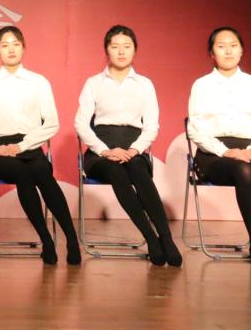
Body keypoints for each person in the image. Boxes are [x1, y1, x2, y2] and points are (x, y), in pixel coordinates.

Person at [0, 26, 81, 265]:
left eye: (16, 44)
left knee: (43, 174)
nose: (11, 50)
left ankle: (71, 239)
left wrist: (23, 145)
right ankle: (46, 240)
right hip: (0, 152)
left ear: (24, 47)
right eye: (5, 45)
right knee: (23, 175)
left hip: (30, 147)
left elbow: (51, 123)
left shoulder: (38, 82)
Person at [74, 25, 181, 266]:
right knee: (116, 171)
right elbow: (81, 123)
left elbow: (151, 126)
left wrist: (134, 150)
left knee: (138, 170)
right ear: (107, 50)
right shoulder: (93, 83)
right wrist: (104, 150)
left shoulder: (145, 84)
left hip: (133, 148)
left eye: (127, 46)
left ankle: (166, 239)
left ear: (135, 50)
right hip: (100, 151)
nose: (121, 51)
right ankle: (151, 238)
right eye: (115, 46)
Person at [187, 26, 251, 268]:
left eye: (233, 46)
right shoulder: (202, 85)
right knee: (244, 170)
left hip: (248, 150)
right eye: (221, 46)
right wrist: (226, 152)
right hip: (213, 154)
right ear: (212, 53)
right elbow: (195, 129)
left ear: (241, 51)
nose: (228, 51)